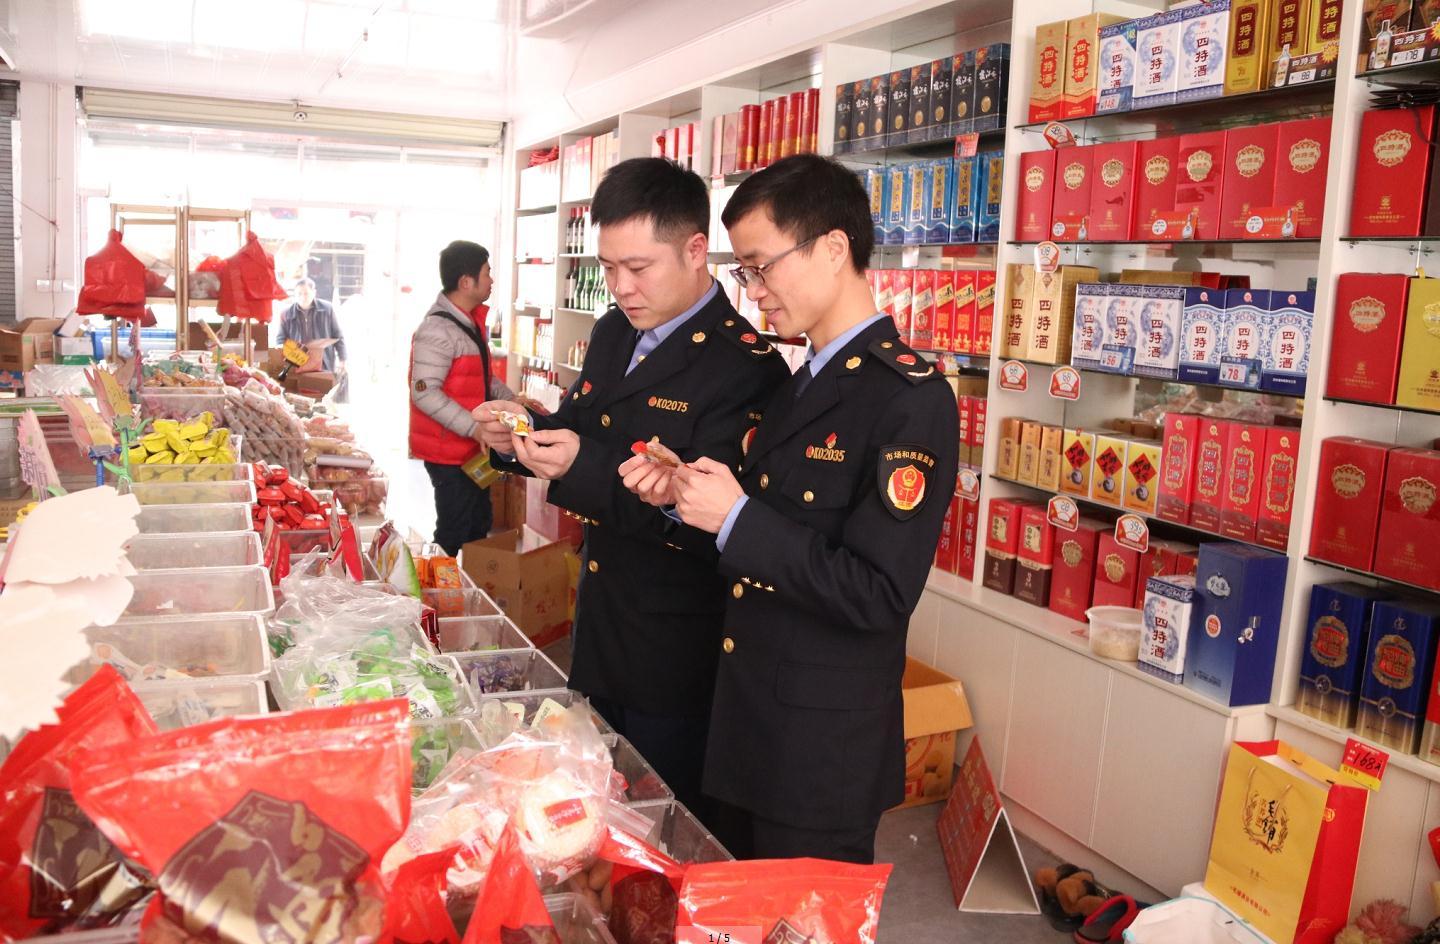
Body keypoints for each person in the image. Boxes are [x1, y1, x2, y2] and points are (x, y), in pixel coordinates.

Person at [621, 153, 959, 863]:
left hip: (817, 752)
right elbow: (769, 522)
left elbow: (879, 592)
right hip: (748, 721)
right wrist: (690, 500)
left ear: (833, 249)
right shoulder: (803, 378)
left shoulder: (909, 399)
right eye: (743, 271)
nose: (753, 290)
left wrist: (738, 519)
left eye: (761, 266)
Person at [475, 157, 788, 816]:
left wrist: (581, 462)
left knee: (658, 820)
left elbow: (711, 524)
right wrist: (522, 437)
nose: (619, 286)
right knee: (591, 810)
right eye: (608, 267)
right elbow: (585, 429)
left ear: (696, 250)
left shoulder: (744, 370)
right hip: (600, 623)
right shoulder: (617, 331)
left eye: (638, 268)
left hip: (678, 649)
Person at [409, 241, 515, 556]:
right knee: (453, 531)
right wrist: (476, 428)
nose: (492, 280)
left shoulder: (468, 322)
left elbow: (481, 377)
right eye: (487, 273)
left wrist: (514, 401)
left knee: (477, 523)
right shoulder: (438, 329)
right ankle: (432, 599)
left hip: (468, 450)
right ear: (466, 282)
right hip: (447, 451)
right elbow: (424, 393)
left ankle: (464, 595)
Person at [277, 277, 346, 374]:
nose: (302, 297)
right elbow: (280, 340)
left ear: (314, 292)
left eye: (306, 293)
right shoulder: (286, 314)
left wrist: (343, 360)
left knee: (323, 387)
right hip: (297, 363)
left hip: (323, 362)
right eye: (299, 294)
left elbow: (338, 335)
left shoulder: (327, 309)